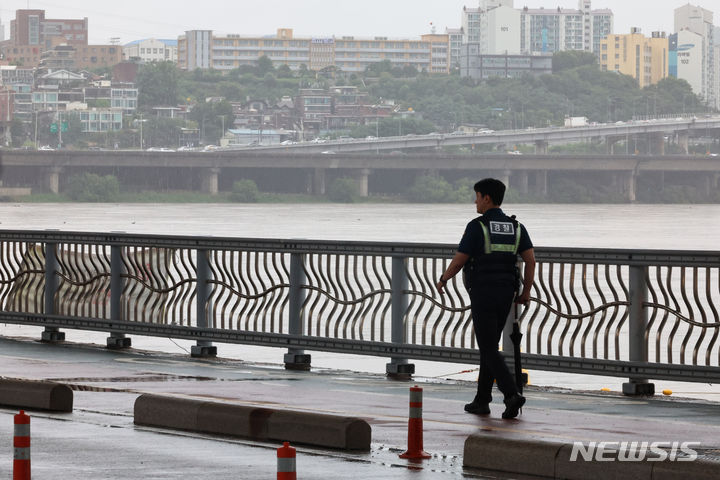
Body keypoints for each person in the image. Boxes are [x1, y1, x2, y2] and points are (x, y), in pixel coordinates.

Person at [436, 178, 535, 419]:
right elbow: (530, 260)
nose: (475, 201)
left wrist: (443, 279)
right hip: (506, 293)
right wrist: (525, 292)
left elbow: (460, 260)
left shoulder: (477, 226)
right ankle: (482, 400)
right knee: (488, 346)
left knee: (488, 346)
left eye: (477, 196)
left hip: (482, 291)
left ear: (487, 198)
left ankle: (511, 394)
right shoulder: (516, 227)